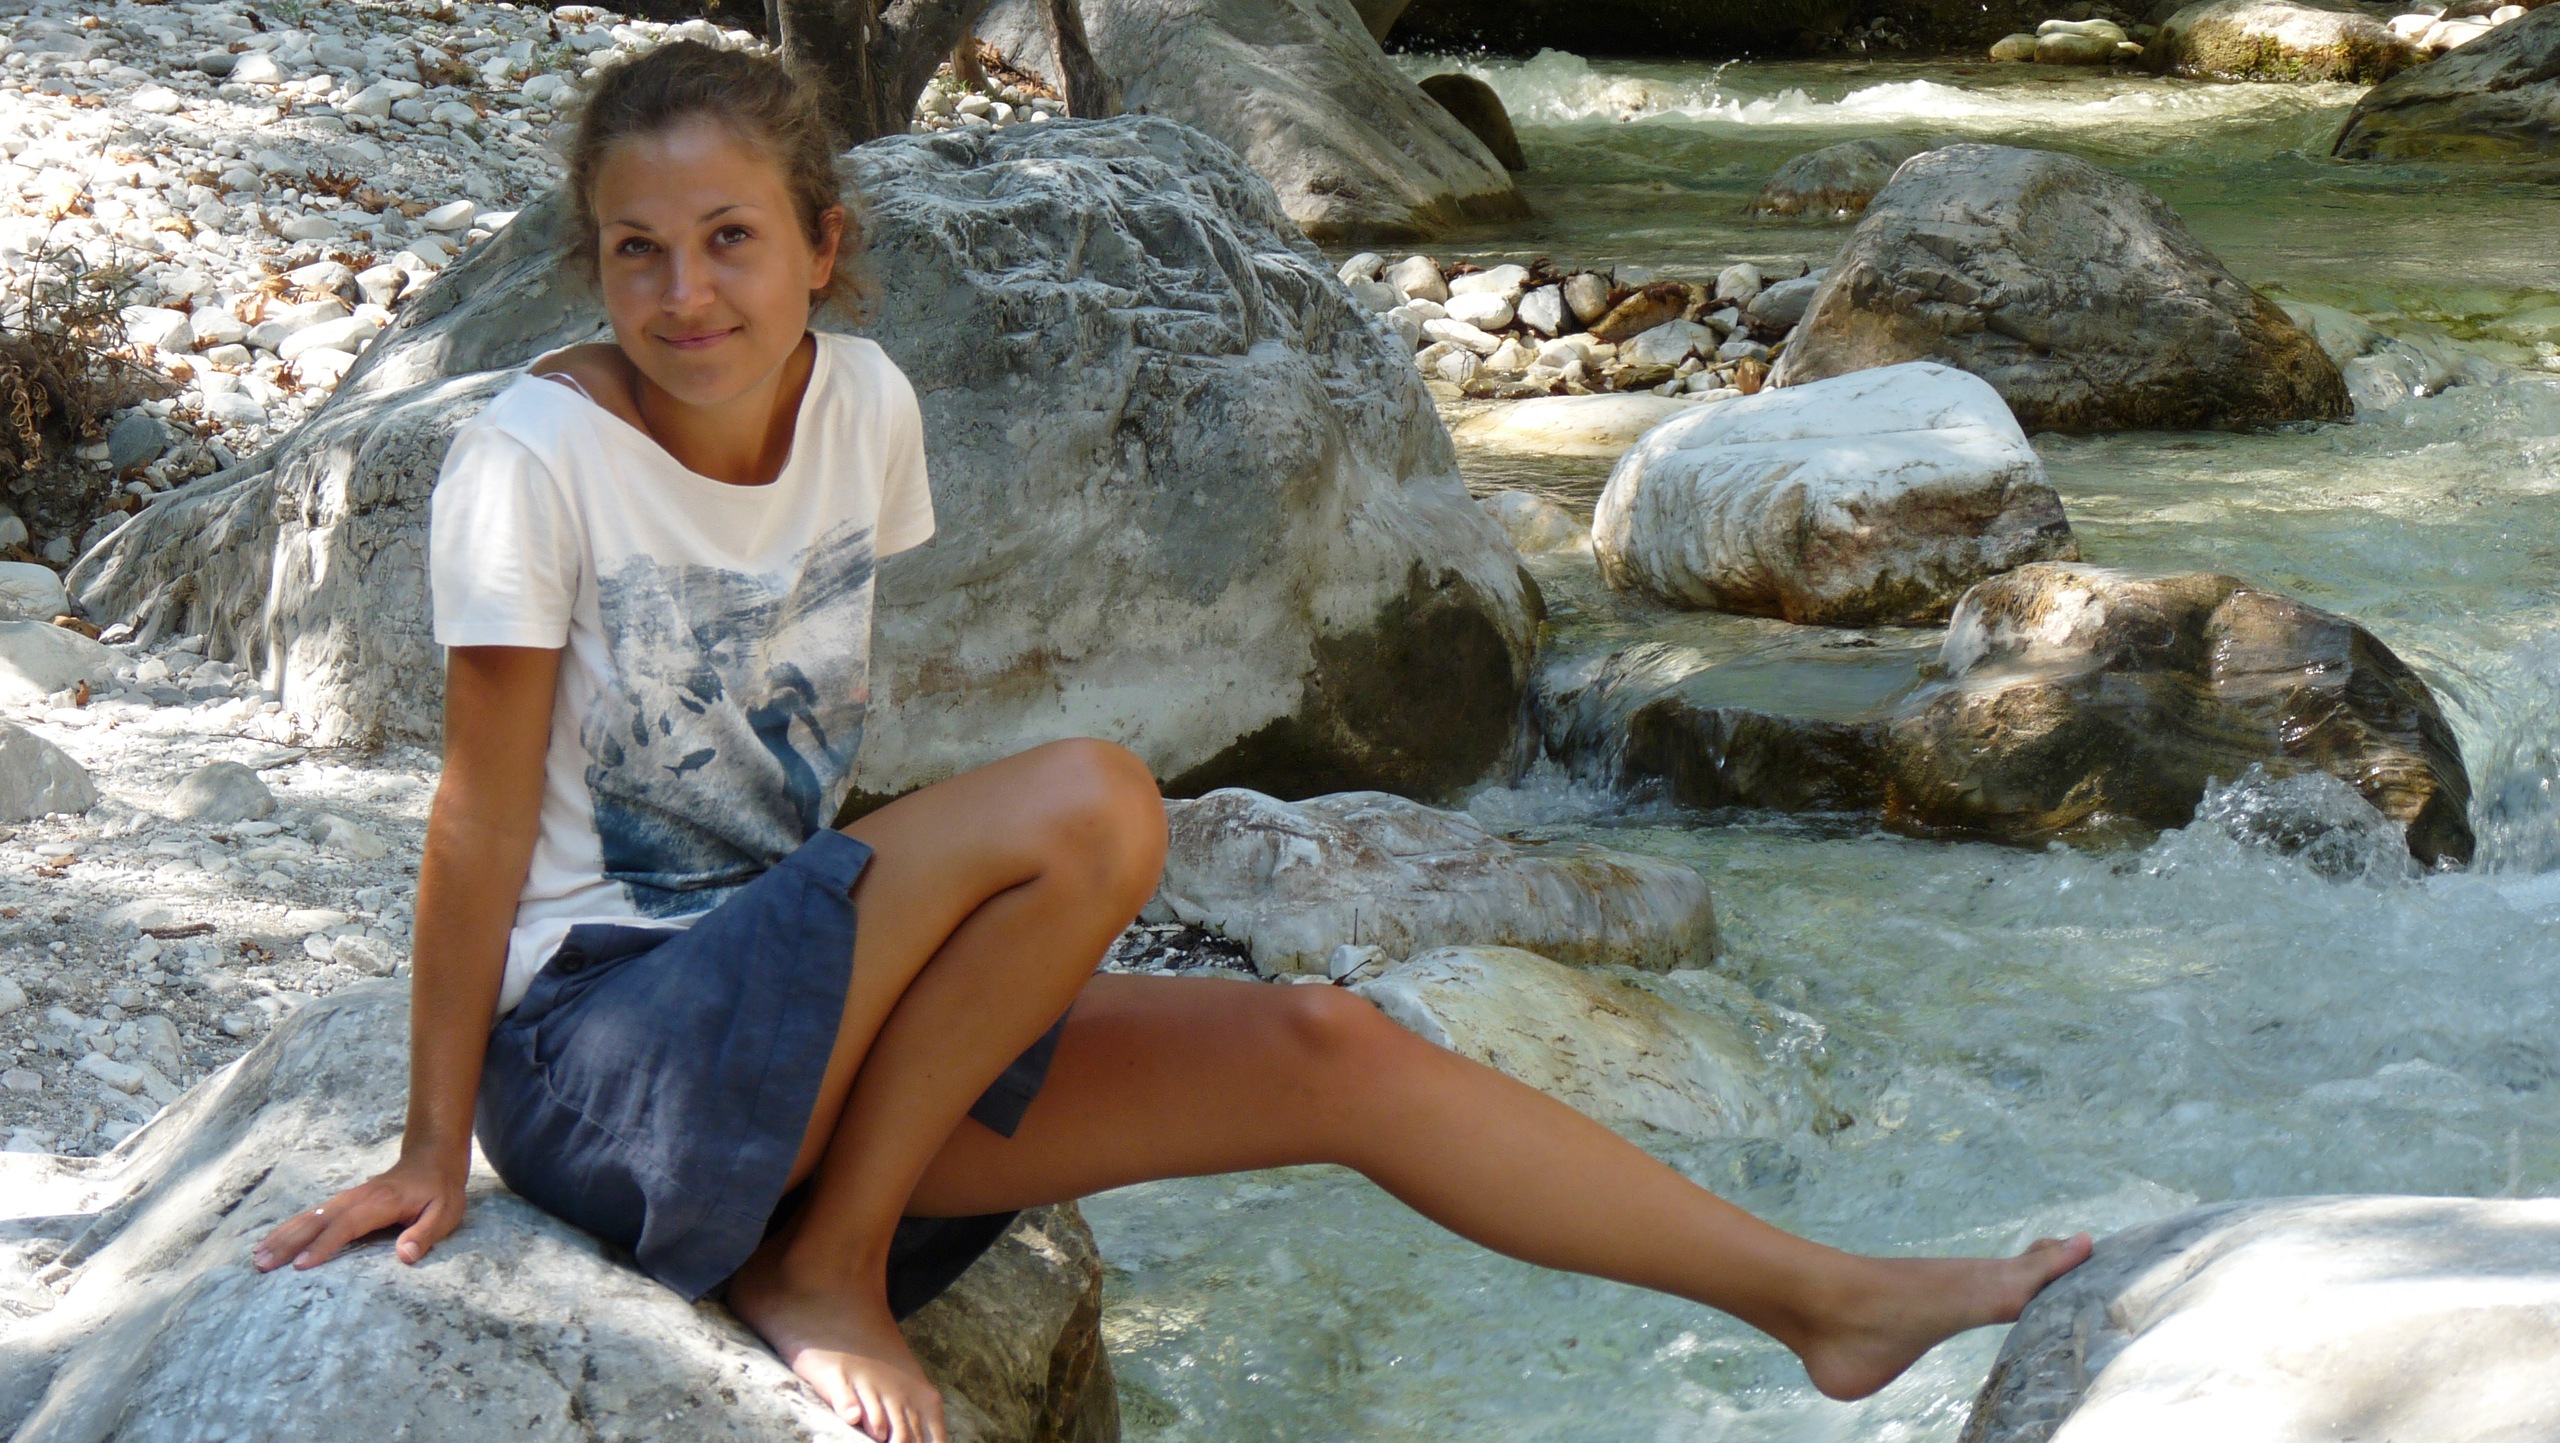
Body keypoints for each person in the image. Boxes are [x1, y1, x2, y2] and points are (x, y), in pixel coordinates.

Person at [250, 39, 2090, 1443]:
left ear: (824, 244)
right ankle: (828, 1265)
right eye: (635, 253)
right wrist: (431, 1146)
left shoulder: (862, 404)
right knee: (1095, 804)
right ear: (594, 270)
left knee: (1328, 1045)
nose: (684, 294)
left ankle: (1820, 1302)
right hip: (607, 1061)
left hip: (786, 1048)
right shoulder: (534, 461)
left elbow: (806, 780)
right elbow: (477, 818)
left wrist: (951, 990)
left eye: (731, 239)